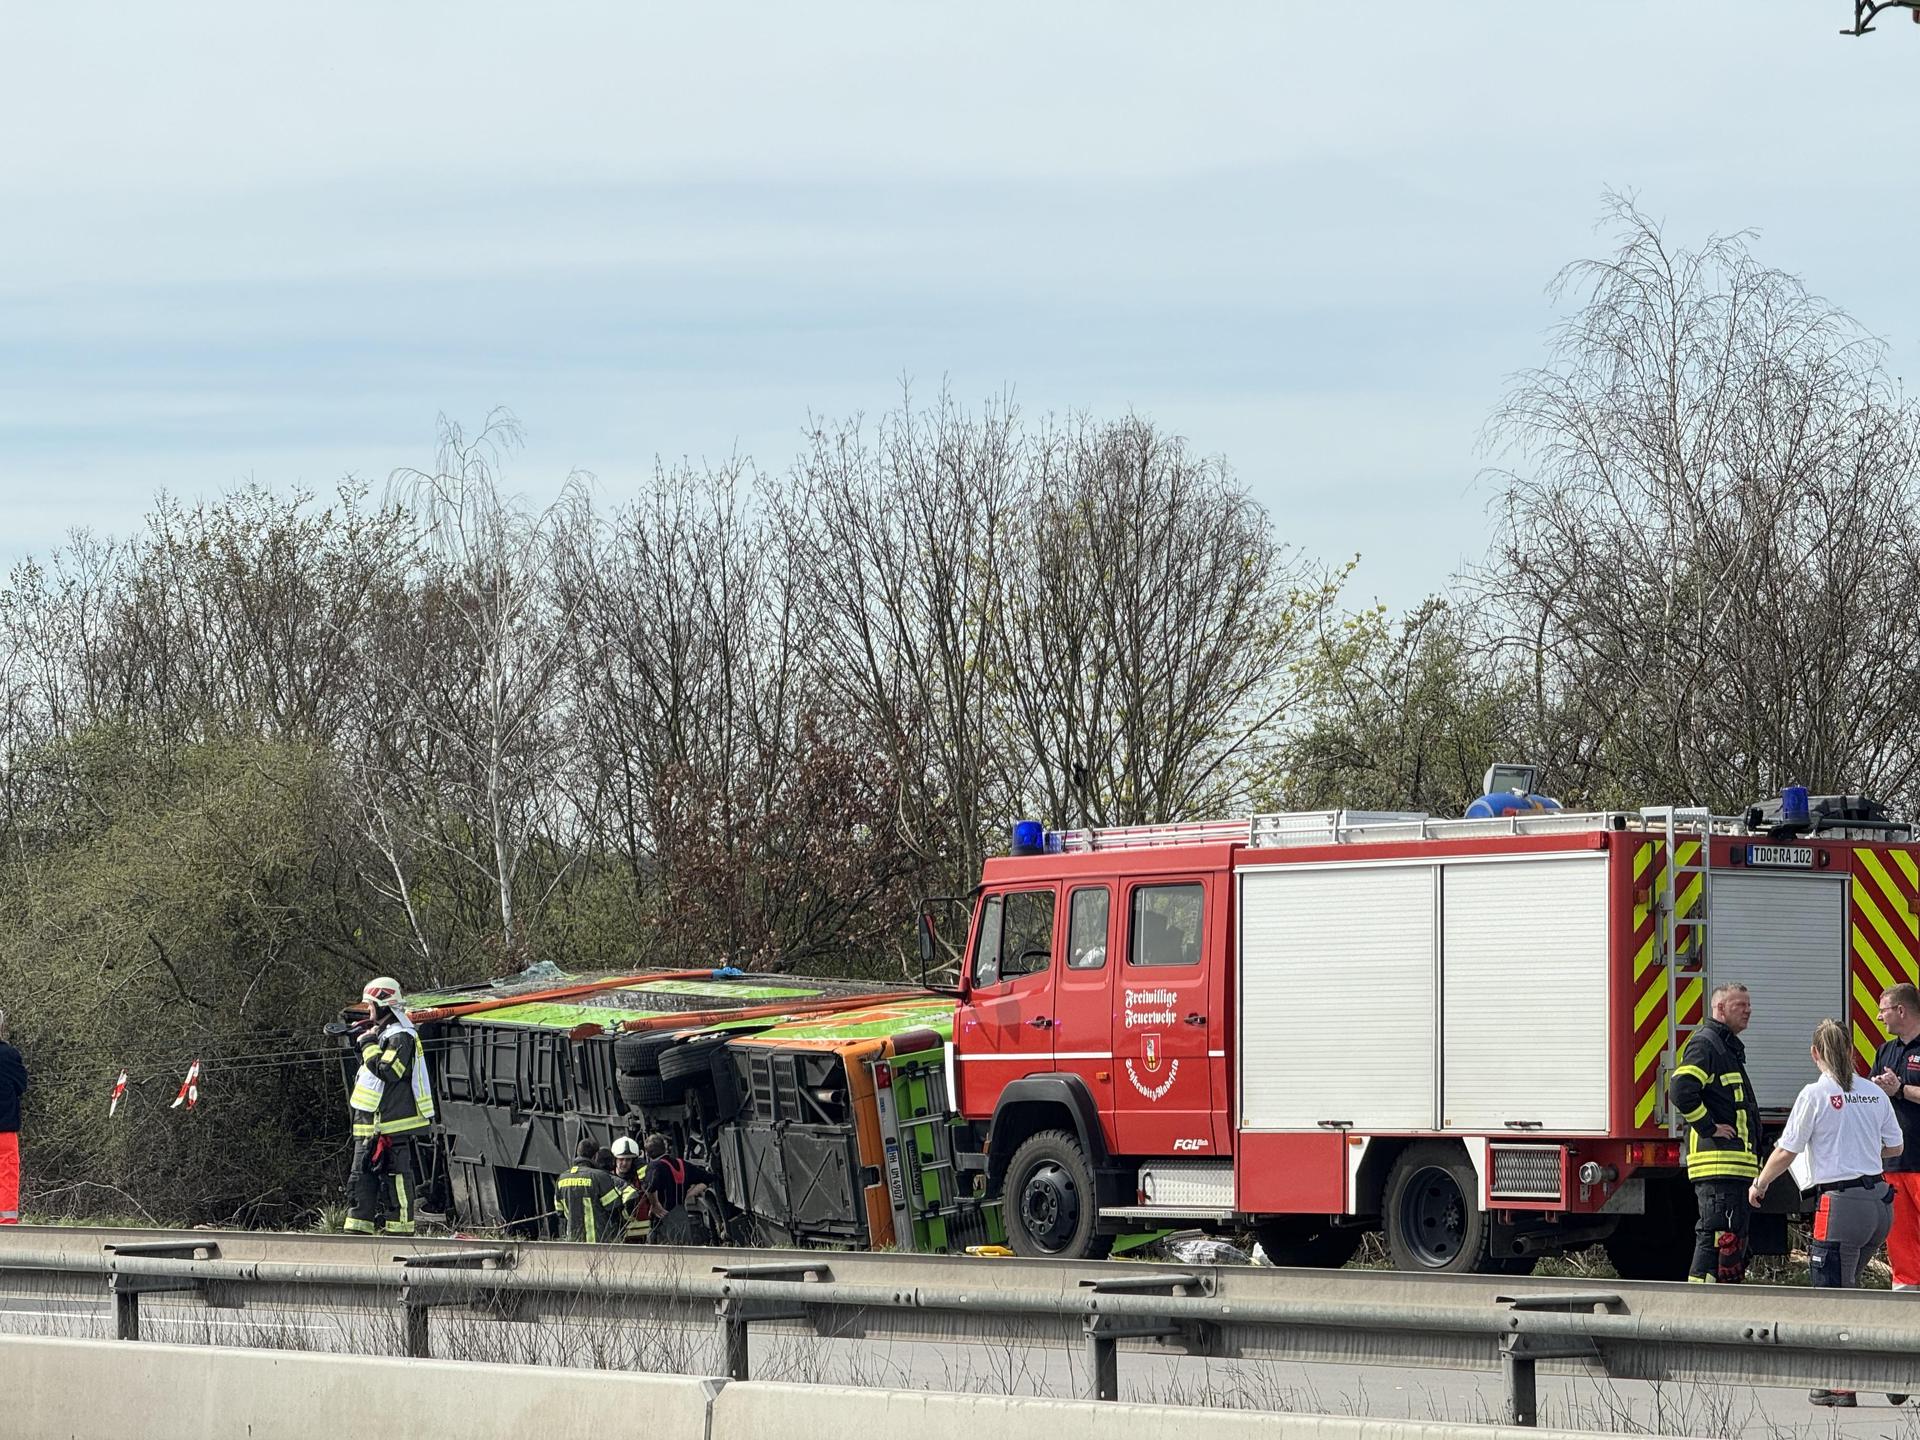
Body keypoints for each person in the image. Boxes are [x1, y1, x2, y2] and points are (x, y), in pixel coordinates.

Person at [1747, 1018, 1902, 1408]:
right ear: (1852, 1052)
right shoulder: (1873, 1092)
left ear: (1815, 1054)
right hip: (1879, 1205)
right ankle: (1892, 1365)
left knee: (1831, 1296)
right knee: (1852, 1290)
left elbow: (1787, 1151)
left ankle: (1840, 1384)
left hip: (1841, 1206)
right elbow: (1895, 1148)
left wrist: (1760, 1183)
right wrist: (1860, 1150)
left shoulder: (1815, 1094)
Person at [1671, 982, 1762, 1283]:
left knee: (1731, 1243)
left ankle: (1720, 1304)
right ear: (1720, 1009)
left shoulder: (1726, 1046)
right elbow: (1681, 1090)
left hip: (1733, 1167)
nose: (1748, 1010)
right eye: (1741, 1005)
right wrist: (1709, 1127)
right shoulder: (1707, 1044)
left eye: (1749, 1004)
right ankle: (1702, 1309)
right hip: (1718, 1164)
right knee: (1715, 1239)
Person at [345, 977, 435, 1236]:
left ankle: (400, 1232)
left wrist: (369, 1044)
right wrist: (362, 1042)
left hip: (393, 1124)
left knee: (395, 1179)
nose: (368, 1009)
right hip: (368, 1124)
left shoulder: (401, 1037)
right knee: (360, 1179)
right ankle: (357, 1231)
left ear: (383, 1005)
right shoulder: (383, 1034)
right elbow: (370, 1074)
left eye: (371, 1004)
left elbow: (390, 1071)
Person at [1871, 982, 1920, 1290]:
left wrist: (1901, 1089)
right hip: (1895, 1161)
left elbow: (1899, 1092)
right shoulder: (1885, 1051)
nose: (1879, 1018)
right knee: (1900, 1234)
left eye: (1883, 1010)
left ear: (1901, 1010)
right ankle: (1905, 1291)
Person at [640, 1132, 718, 1243]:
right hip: (681, 1214)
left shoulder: (654, 1166)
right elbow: (708, 1178)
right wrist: (688, 1194)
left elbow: (650, 1187)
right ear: (665, 1147)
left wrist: (655, 1204)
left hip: (663, 1216)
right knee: (683, 1248)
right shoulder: (682, 1164)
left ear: (648, 1153)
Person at [555, 1138, 630, 1242]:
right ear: (595, 1156)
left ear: (578, 1153)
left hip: (573, 1242)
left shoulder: (562, 1179)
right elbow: (614, 1209)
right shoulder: (600, 1177)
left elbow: (560, 1212)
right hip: (599, 1242)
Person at [0, 1008, 27, 1225]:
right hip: (5, 1129)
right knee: (7, 1173)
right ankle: (7, 1224)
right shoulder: (10, 1055)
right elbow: (21, 1085)